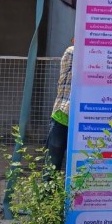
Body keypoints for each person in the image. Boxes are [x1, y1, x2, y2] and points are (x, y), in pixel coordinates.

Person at [46, 40, 74, 171]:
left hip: (78, 118)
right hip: (63, 114)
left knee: (65, 161)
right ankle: (49, 185)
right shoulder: (72, 52)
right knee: (53, 162)